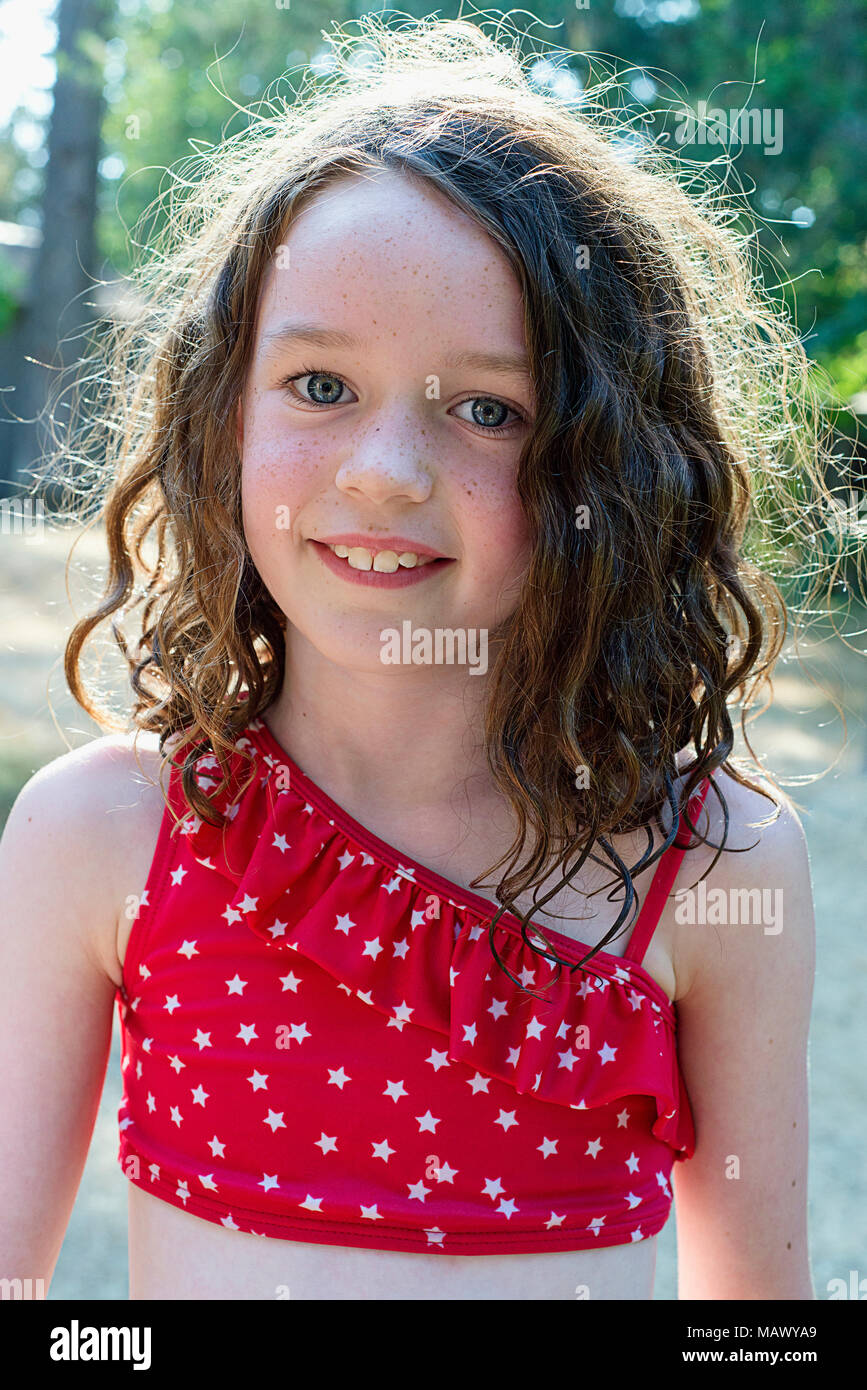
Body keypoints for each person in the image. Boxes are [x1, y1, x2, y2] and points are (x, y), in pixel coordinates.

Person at [2, 15, 832, 1300]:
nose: (385, 472)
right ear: (223, 412)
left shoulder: (718, 869)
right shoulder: (101, 836)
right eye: (321, 385)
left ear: (609, 469)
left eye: (487, 410)